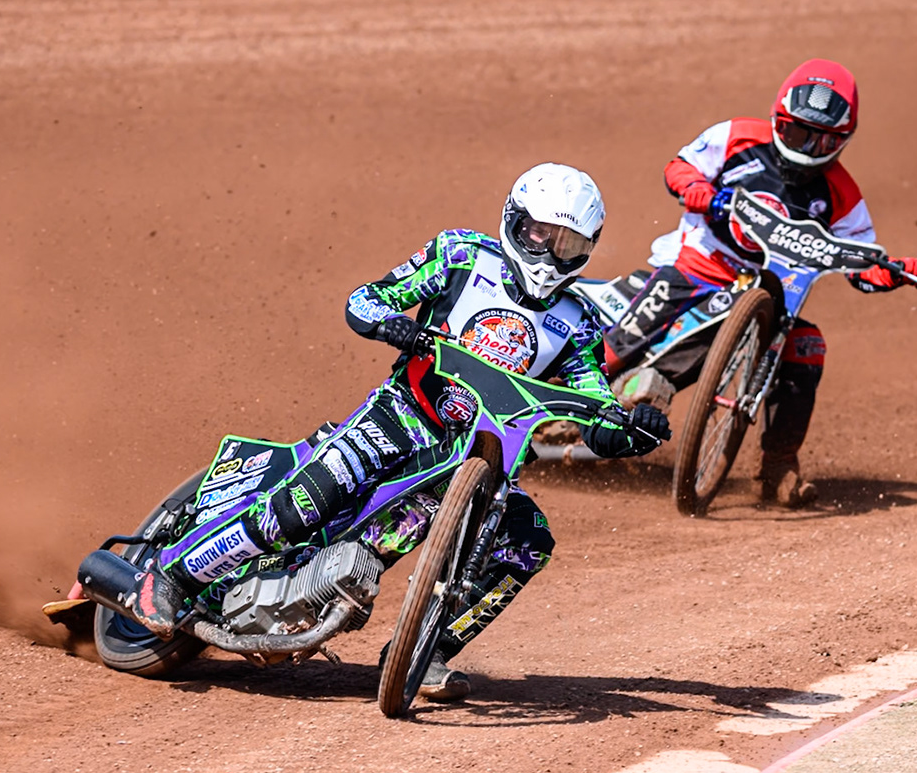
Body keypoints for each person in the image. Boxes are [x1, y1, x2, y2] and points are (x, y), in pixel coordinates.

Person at [125, 163, 670, 700]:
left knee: (529, 542)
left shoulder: (578, 323)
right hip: (400, 415)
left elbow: (594, 405)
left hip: (482, 459)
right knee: (310, 500)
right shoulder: (461, 255)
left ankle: (424, 648)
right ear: (514, 220)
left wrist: (632, 428)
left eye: (569, 244)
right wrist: (391, 323)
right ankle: (174, 577)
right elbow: (366, 298)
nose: (551, 253)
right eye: (541, 234)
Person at [602, 59, 917, 507]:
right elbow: (679, 167)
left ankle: (779, 464)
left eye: (823, 140)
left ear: (842, 140)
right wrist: (697, 190)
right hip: (698, 264)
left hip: (777, 294)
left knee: (808, 346)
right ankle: (569, 398)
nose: (808, 147)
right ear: (778, 118)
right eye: (796, 132)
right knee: (624, 339)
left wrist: (894, 270)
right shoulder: (737, 135)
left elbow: (860, 262)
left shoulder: (842, 195)